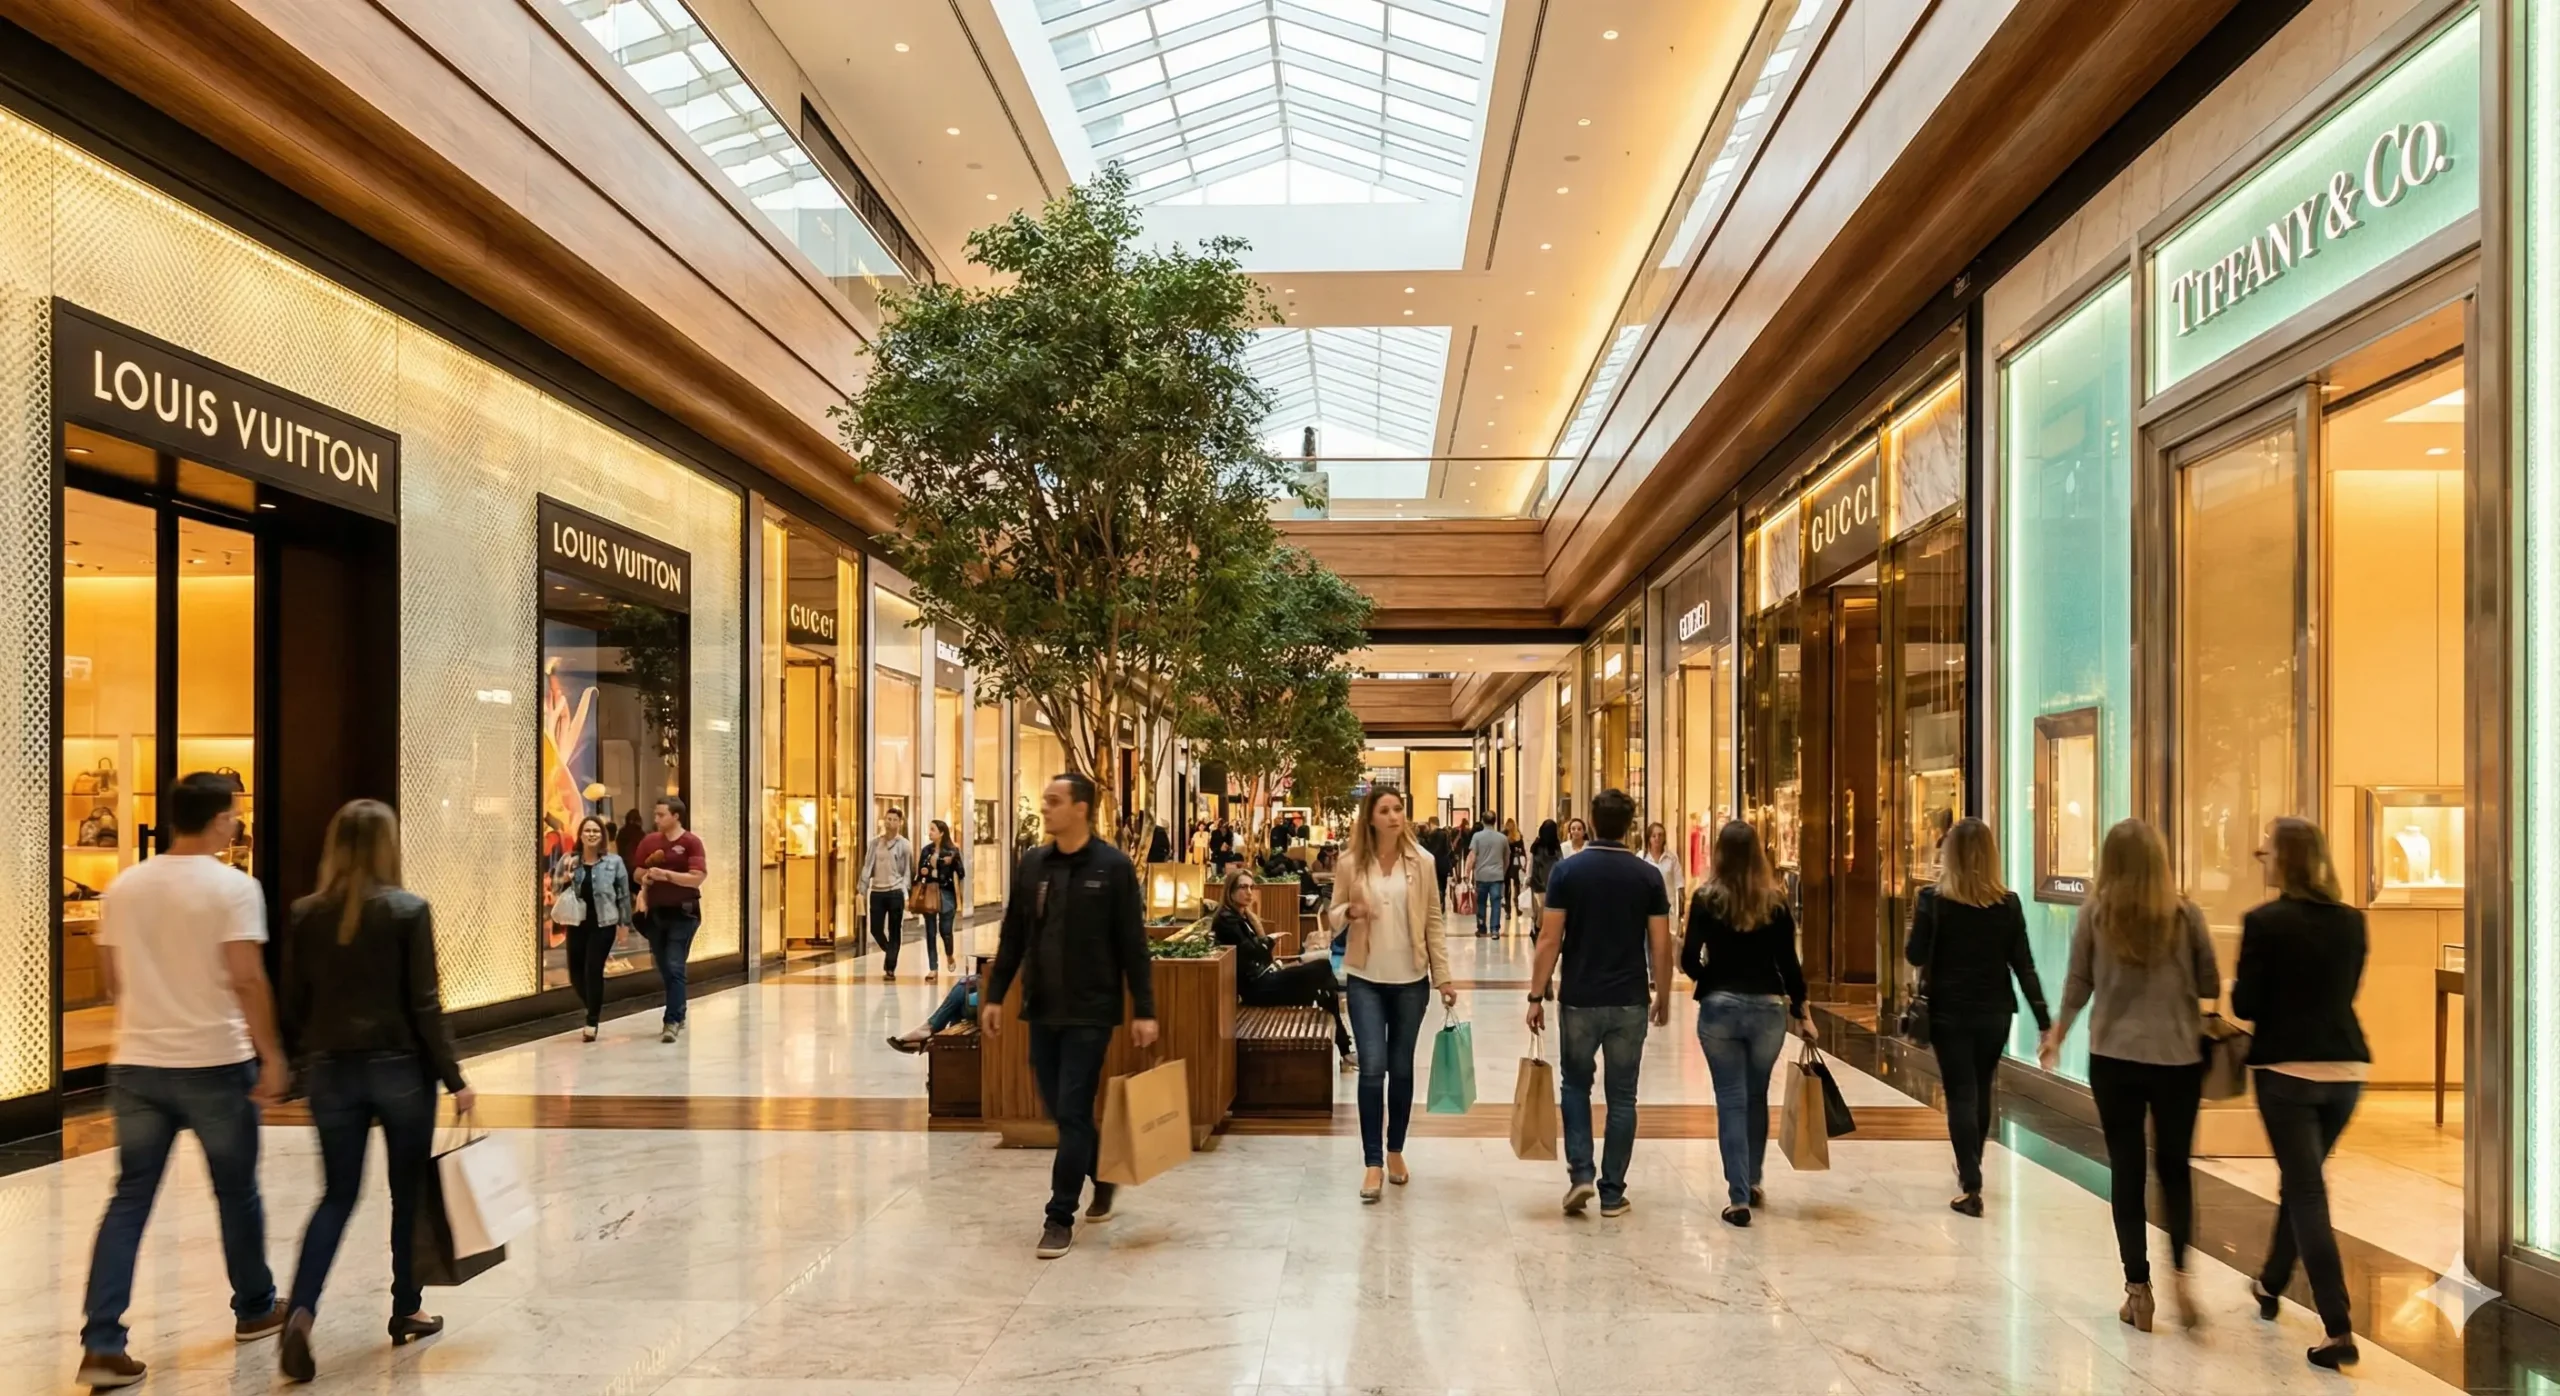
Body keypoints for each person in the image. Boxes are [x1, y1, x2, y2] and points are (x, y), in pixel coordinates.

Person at [77, 773, 290, 1389]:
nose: (236, 824)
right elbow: (248, 978)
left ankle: (102, 1341)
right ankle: (254, 1308)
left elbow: (114, 981)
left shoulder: (124, 887)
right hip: (215, 1061)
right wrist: (271, 1053)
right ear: (221, 819)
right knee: (236, 1191)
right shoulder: (234, 887)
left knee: (129, 1199)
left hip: (138, 1063)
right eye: (234, 815)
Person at [273, 800, 475, 1382]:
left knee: (336, 1196)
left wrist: (298, 1062)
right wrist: (454, 1076)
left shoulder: (305, 913)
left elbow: (295, 1001)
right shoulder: (409, 910)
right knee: (405, 1194)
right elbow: (424, 1003)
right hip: (399, 1073)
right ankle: (406, 1308)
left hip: (332, 1073)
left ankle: (303, 1311)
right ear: (390, 845)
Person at [2041, 818, 2218, 1334]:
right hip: (2177, 1058)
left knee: (2127, 1169)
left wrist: (2059, 1033)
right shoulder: (2186, 915)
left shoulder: (2097, 913)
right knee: (2175, 1169)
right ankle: (2183, 1274)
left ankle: (2137, 1289)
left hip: (2114, 1058)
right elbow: (2208, 981)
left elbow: (2079, 981)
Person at [982, 773, 1157, 1259]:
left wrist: (1145, 1009)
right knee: (1058, 1110)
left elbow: (1132, 946)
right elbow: (1013, 936)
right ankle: (1102, 1174)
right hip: (1042, 1007)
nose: (1046, 808)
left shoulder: (1113, 867)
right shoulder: (1033, 865)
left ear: (1081, 808)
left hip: (1091, 1010)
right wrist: (996, 996)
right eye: (1046, 800)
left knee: (1075, 1108)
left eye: (1054, 801)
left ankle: (1059, 1216)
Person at [2233, 817, 2369, 1370]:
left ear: (2283, 859)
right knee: (2301, 1180)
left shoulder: (2264, 922)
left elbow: (2245, 1004)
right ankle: (2270, 1282)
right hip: (2345, 1070)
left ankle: (2337, 1327)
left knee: (2307, 1191)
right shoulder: (2353, 923)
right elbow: (2347, 989)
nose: (2259, 855)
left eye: (2266, 849)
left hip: (2286, 1072)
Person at [1527, 788, 1673, 1218]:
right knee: (1623, 1097)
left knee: (1575, 1085)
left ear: (1590, 821)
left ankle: (1582, 1174)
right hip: (1628, 999)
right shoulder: (1647, 877)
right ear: (1631, 826)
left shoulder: (1568, 872)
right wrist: (1662, 994)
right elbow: (1661, 946)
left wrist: (1536, 995)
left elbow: (1550, 939)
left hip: (1580, 997)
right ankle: (1612, 1193)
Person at [1903, 817, 2050, 1217]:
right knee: (1982, 1087)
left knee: (1960, 1093)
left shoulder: (1933, 900)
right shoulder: (2008, 903)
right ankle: (1972, 1164)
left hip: (1949, 1011)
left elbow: (1914, 955)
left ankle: (1971, 1181)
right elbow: (2024, 965)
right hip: (1995, 1012)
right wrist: (2044, 1019)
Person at [1682, 820, 1818, 1226]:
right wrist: (1802, 1010)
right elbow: (1790, 966)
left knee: (1731, 1099)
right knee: (1756, 1095)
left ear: (1719, 853)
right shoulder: (1774, 902)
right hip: (1767, 1008)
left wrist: (1709, 978)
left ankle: (1738, 1195)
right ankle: (1754, 1180)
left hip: (1720, 1006)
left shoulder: (1706, 898)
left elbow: (1689, 959)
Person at [1324, 786, 1456, 1202]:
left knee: (1401, 1069)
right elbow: (1331, 917)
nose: (1395, 816)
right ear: (1371, 818)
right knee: (1372, 1068)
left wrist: (1444, 976)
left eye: (1399, 809)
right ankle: (1372, 1162)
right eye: (1385, 810)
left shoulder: (1424, 862)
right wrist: (1350, 912)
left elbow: (1434, 921)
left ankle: (1395, 1150)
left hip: (1411, 980)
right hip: (1365, 977)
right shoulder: (1350, 863)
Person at [1213, 869, 1353, 1063]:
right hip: (1257, 989)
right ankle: (1345, 1049)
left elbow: (1257, 951)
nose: (1249, 892)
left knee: (1323, 986)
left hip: (1266, 978)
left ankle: (1344, 1048)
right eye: (1243, 887)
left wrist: (1266, 948)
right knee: (1322, 970)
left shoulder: (1243, 916)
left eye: (1251, 887)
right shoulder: (1226, 920)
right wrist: (1268, 942)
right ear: (1230, 891)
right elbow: (1253, 952)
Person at [550, 814, 633, 1042]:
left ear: (602, 836)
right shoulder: (570, 860)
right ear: (581, 835)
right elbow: (555, 887)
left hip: (604, 923)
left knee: (592, 969)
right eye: (587, 831)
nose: (591, 835)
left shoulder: (614, 862)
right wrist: (566, 879)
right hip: (576, 923)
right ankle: (593, 1005)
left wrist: (624, 923)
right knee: (575, 973)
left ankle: (592, 1021)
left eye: (596, 831)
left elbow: (623, 895)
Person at [631, 795, 707, 1043]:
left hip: (683, 913)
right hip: (656, 913)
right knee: (664, 965)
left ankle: (671, 1020)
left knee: (675, 964)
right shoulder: (649, 842)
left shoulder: (691, 843)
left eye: (661, 815)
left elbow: (697, 877)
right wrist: (647, 877)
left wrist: (667, 875)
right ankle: (680, 1010)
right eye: (655, 814)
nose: (656, 819)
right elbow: (637, 871)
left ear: (675, 816)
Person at [860, 808, 916, 981]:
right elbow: (867, 865)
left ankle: (890, 967)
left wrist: (906, 893)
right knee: (875, 929)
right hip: (877, 891)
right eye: (888, 819)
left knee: (894, 929)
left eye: (894, 819)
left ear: (900, 823)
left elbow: (908, 870)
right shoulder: (875, 843)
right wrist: (862, 888)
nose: (890, 822)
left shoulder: (904, 845)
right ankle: (890, 950)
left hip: (895, 891)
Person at [918, 819, 967, 977]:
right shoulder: (926, 851)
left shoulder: (952, 851)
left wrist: (951, 862)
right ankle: (933, 968)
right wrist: (925, 869)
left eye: (933, 829)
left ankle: (949, 955)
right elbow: (920, 872)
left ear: (941, 832)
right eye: (929, 829)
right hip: (930, 892)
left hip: (946, 893)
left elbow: (961, 873)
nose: (930, 832)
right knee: (930, 931)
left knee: (945, 930)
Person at [887, 973, 982, 1052]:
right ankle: (934, 1034)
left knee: (966, 986)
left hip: (984, 1001)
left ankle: (930, 1030)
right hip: (979, 997)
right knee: (966, 986)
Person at [1466, 813, 1511, 939]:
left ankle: (1481, 928)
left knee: (1481, 902)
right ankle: (1495, 930)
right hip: (1497, 875)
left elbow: (1472, 856)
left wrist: (1467, 873)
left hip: (1481, 875)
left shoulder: (1477, 837)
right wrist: (1503, 870)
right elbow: (1507, 857)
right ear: (1495, 821)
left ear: (1482, 821)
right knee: (1496, 902)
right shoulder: (1502, 838)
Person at [1640, 821, 1683, 911]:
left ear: (1664, 838)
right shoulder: (1641, 857)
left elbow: (1679, 884)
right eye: (1654, 836)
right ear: (1649, 838)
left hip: (1668, 909)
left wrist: (1681, 909)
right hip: (1647, 908)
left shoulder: (1672, 858)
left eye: (1660, 835)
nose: (1657, 838)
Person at [1527, 819, 1562, 928]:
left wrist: (1528, 878)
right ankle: (1541, 928)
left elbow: (1531, 863)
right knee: (1546, 908)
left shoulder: (1537, 846)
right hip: (1550, 881)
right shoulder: (1556, 846)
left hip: (1539, 881)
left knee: (1541, 908)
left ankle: (1539, 928)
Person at [1503, 817, 1526, 922]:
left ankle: (1508, 911)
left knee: (1507, 886)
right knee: (1517, 885)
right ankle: (1517, 907)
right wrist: (1524, 862)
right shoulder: (1518, 835)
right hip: (1516, 862)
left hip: (1506, 862)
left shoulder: (1503, 834)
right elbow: (1523, 850)